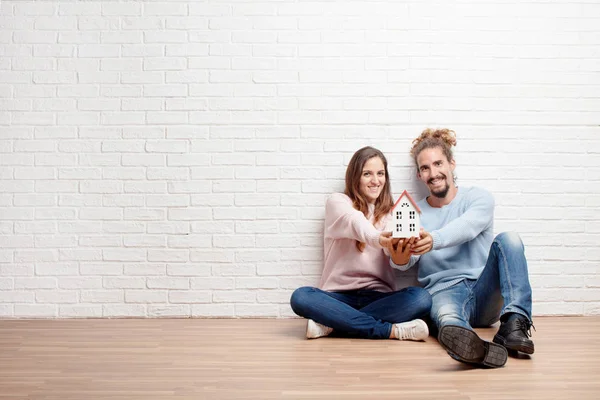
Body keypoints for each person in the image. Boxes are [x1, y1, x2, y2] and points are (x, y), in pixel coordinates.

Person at [388, 128, 535, 368]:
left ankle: (514, 325)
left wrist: (433, 240)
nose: (433, 173)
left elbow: (467, 227)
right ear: (419, 174)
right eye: (425, 168)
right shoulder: (414, 214)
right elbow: (406, 261)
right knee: (448, 318)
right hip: (444, 290)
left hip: (484, 290)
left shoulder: (479, 197)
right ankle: (474, 347)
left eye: (438, 163)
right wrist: (398, 256)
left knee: (510, 239)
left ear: (452, 164)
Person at [290, 146, 432, 341]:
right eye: (367, 174)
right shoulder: (338, 202)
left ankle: (332, 325)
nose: (376, 181)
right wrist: (378, 238)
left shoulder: (394, 213)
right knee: (301, 296)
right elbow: (355, 222)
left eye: (380, 173)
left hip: (379, 297)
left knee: (421, 298)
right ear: (355, 176)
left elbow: (399, 259)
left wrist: (402, 256)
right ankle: (392, 331)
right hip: (336, 298)